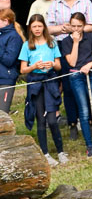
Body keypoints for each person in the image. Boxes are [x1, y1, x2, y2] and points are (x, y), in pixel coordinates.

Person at [47, 0, 92, 139]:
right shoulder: (55, 5)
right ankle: (73, 122)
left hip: (85, 45)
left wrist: (76, 29)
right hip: (63, 45)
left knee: (86, 82)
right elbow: (49, 29)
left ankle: (88, 119)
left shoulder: (85, 2)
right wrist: (63, 28)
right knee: (68, 86)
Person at [19, 14, 67, 166]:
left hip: (50, 81)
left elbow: (59, 65)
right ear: (30, 28)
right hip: (35, 83)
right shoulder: (27, 45)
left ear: (44, 27)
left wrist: (51, 64)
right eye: (34, 27)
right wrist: (34, 66)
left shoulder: (52, 42)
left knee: (52, 120)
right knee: (41, 119)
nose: (37, 29)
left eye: (40, 26)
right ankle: (45, 154)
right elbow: (23, 69)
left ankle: (60, 152)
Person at [60, 12, 92, 157]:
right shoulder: (66, 41)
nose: (76, 29)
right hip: (76, 76)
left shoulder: (90, 37)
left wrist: (89, 65)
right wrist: (76, 42)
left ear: (84, 25)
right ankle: (89, 146)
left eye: (79, 26)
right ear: (70, 25)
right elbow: (72, 62)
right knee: (84, 111)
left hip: (91, 74)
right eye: (73, 26)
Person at [0, 8, 23, 113]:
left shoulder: (14, 37)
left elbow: (9, 60)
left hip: (6, 79)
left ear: (6, 21)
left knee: (2, 115)